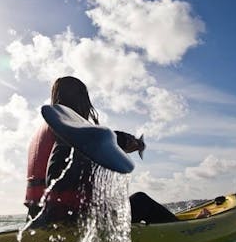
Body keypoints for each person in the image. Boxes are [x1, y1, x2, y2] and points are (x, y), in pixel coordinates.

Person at [25, 76, 177, 226]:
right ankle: (189, 230)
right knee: (142, 201)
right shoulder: (66, 126)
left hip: (37, 219)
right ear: (81, 100)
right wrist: (124, 140)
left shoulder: (42, 130)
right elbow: (94, 138)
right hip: (70, 219)